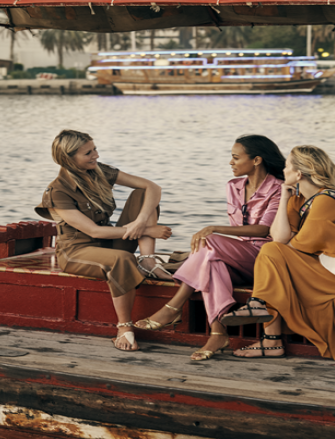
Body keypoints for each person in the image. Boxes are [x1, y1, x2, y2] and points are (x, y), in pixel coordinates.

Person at [134, 135, 284, 361]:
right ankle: (218, 333)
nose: (230, 162)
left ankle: (174, 306)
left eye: (235, 157)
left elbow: (264, 230)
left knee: (209, 240)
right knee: (211, 262)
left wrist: (213, 228)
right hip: (235, 256)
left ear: (256, 160)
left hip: (263, 259)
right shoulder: (233, 186)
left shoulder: (278, 188)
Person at [220, 145, 335, 360]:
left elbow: (298, 246)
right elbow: (279, 237)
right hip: (318, 270)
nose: (283, 171)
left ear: (298, 174)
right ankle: (268, 334)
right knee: (272, 253)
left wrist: (279, 252)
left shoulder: (327, 200)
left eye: (287, 166)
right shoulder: (298, 200)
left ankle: (262, 319)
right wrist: (283, 197)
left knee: (271, 254)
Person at [35, 130, 173, 352]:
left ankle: (148, 260)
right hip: (77, 251)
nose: (96, 156)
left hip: (110, 240)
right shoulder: (57, 191)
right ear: (68, 158)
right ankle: (123, 327)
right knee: (123, 258)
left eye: (95, 149)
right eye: (88, 153)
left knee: (142, 194)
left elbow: (153, 187)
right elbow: (94, 232)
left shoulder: (100, 171)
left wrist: (139, 225)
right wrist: (148, 229)